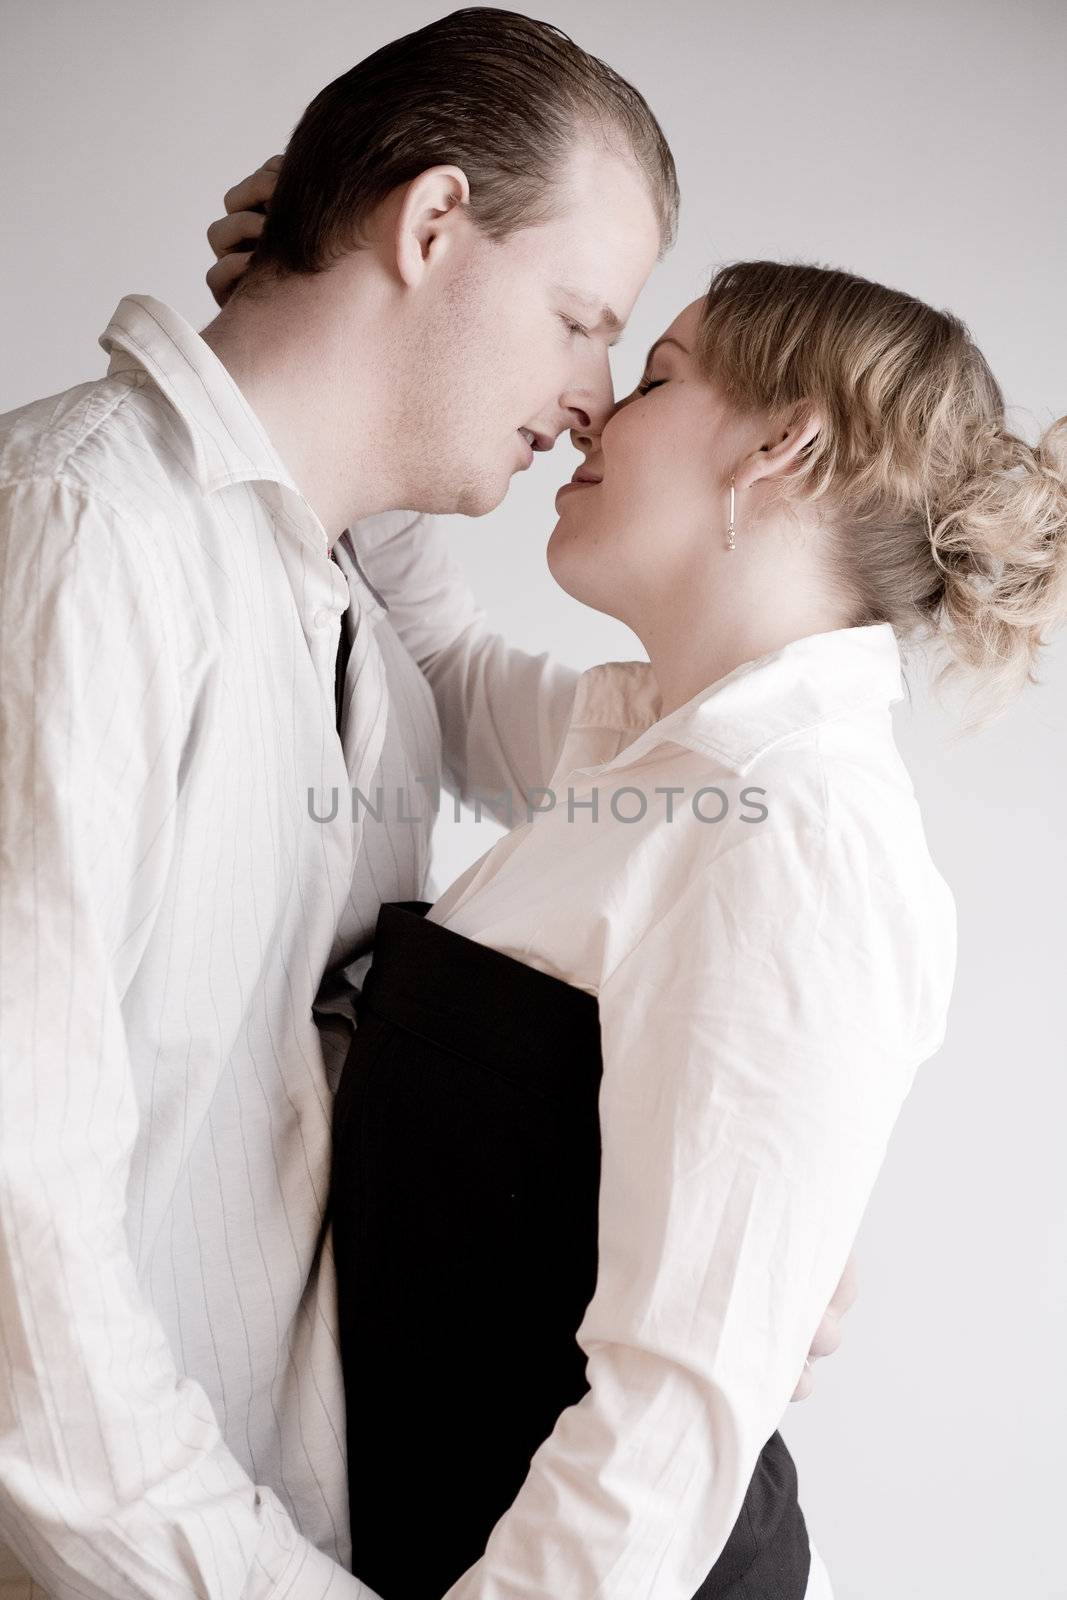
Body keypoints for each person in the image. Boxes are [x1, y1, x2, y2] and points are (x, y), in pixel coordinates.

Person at [0, 11, 849, 1600]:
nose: (595, 398)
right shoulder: (80, 536)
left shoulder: (345, 627)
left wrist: (729, 1218)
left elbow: (525, 723)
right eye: (588, 323)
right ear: (434, 223)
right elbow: (10, 1224)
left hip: (303, 1521)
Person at [233, 262, 1067, 1593]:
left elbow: (672, 1420)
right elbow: (441, 666)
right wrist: (357, 320)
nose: (592, 414)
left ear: (784, 442)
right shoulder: (654, 760)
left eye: (662, 375)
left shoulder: (794, 825)